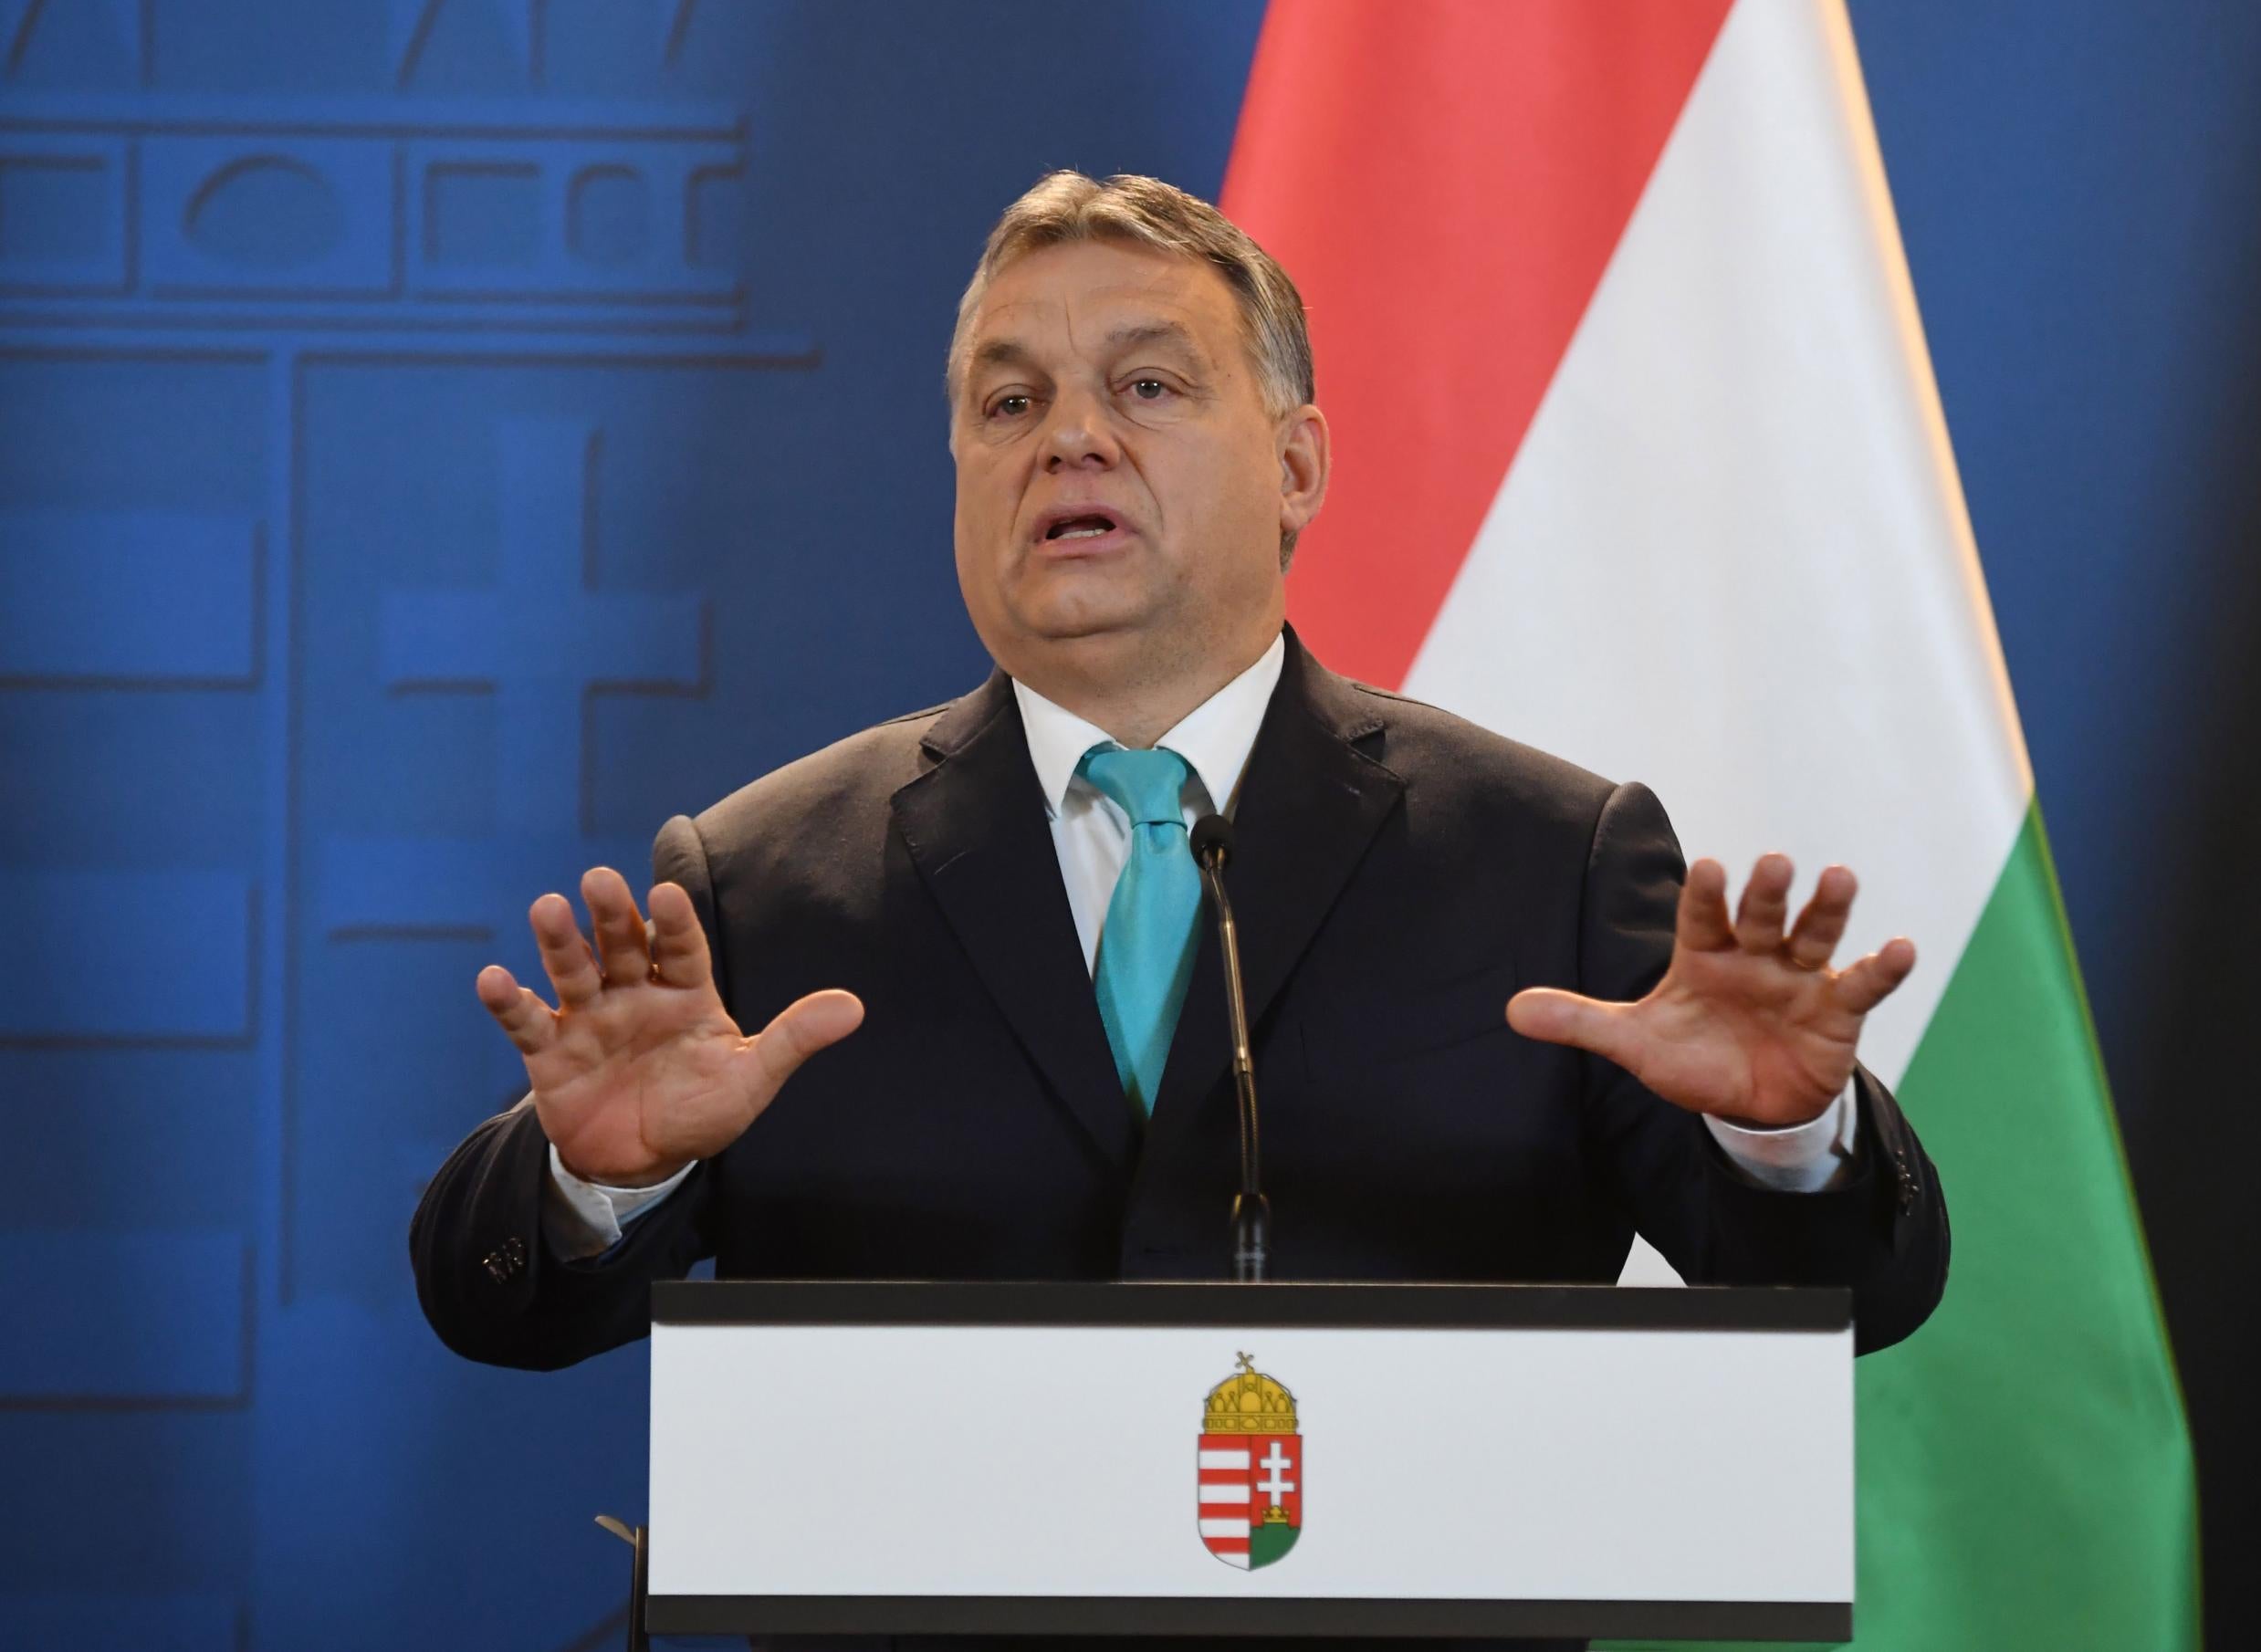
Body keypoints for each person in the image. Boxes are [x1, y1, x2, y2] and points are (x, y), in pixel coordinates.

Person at [413, 171, 1946, 1557]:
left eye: (1146, 384)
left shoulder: (1548, 856)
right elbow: (503, 1308)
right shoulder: (758, 878)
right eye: (1010, 406)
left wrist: (1783, 1145)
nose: (1071, 434)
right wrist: (599, 1180)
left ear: (1296, 466)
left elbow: (1851, 1303)